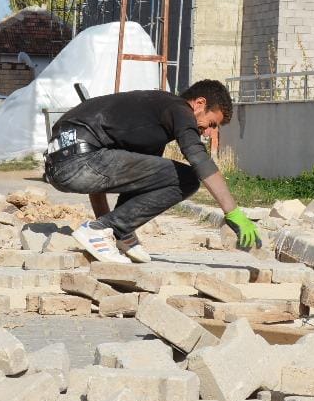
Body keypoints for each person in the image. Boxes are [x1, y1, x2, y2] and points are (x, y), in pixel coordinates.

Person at [42, 79, 261, 263]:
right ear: (199, 103)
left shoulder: (151, 121)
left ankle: (112, 231)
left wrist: (109, 227)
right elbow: (198, 158)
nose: (208, 132)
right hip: (79, 160)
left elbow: (120, 182)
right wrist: (232, 212)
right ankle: (99, 231)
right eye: (212, 123)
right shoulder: (179, 108)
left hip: (59, 164)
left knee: (155, 177)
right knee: (187, 179)